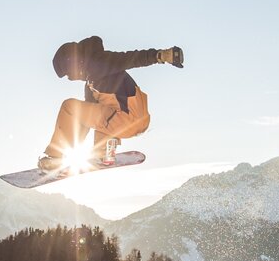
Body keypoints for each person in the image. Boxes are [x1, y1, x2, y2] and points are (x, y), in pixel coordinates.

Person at [38, 36, 184, 172]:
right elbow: (87, 120)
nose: (71, 78)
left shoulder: (99, 62)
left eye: (69, 74)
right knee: (100, 111)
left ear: (73, 63)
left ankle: (57, 157)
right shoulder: (91, 82)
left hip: (127, 118)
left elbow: (131, 58)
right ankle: (102, 152)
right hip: (133, 121)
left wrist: (162, 55)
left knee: (68, 107)